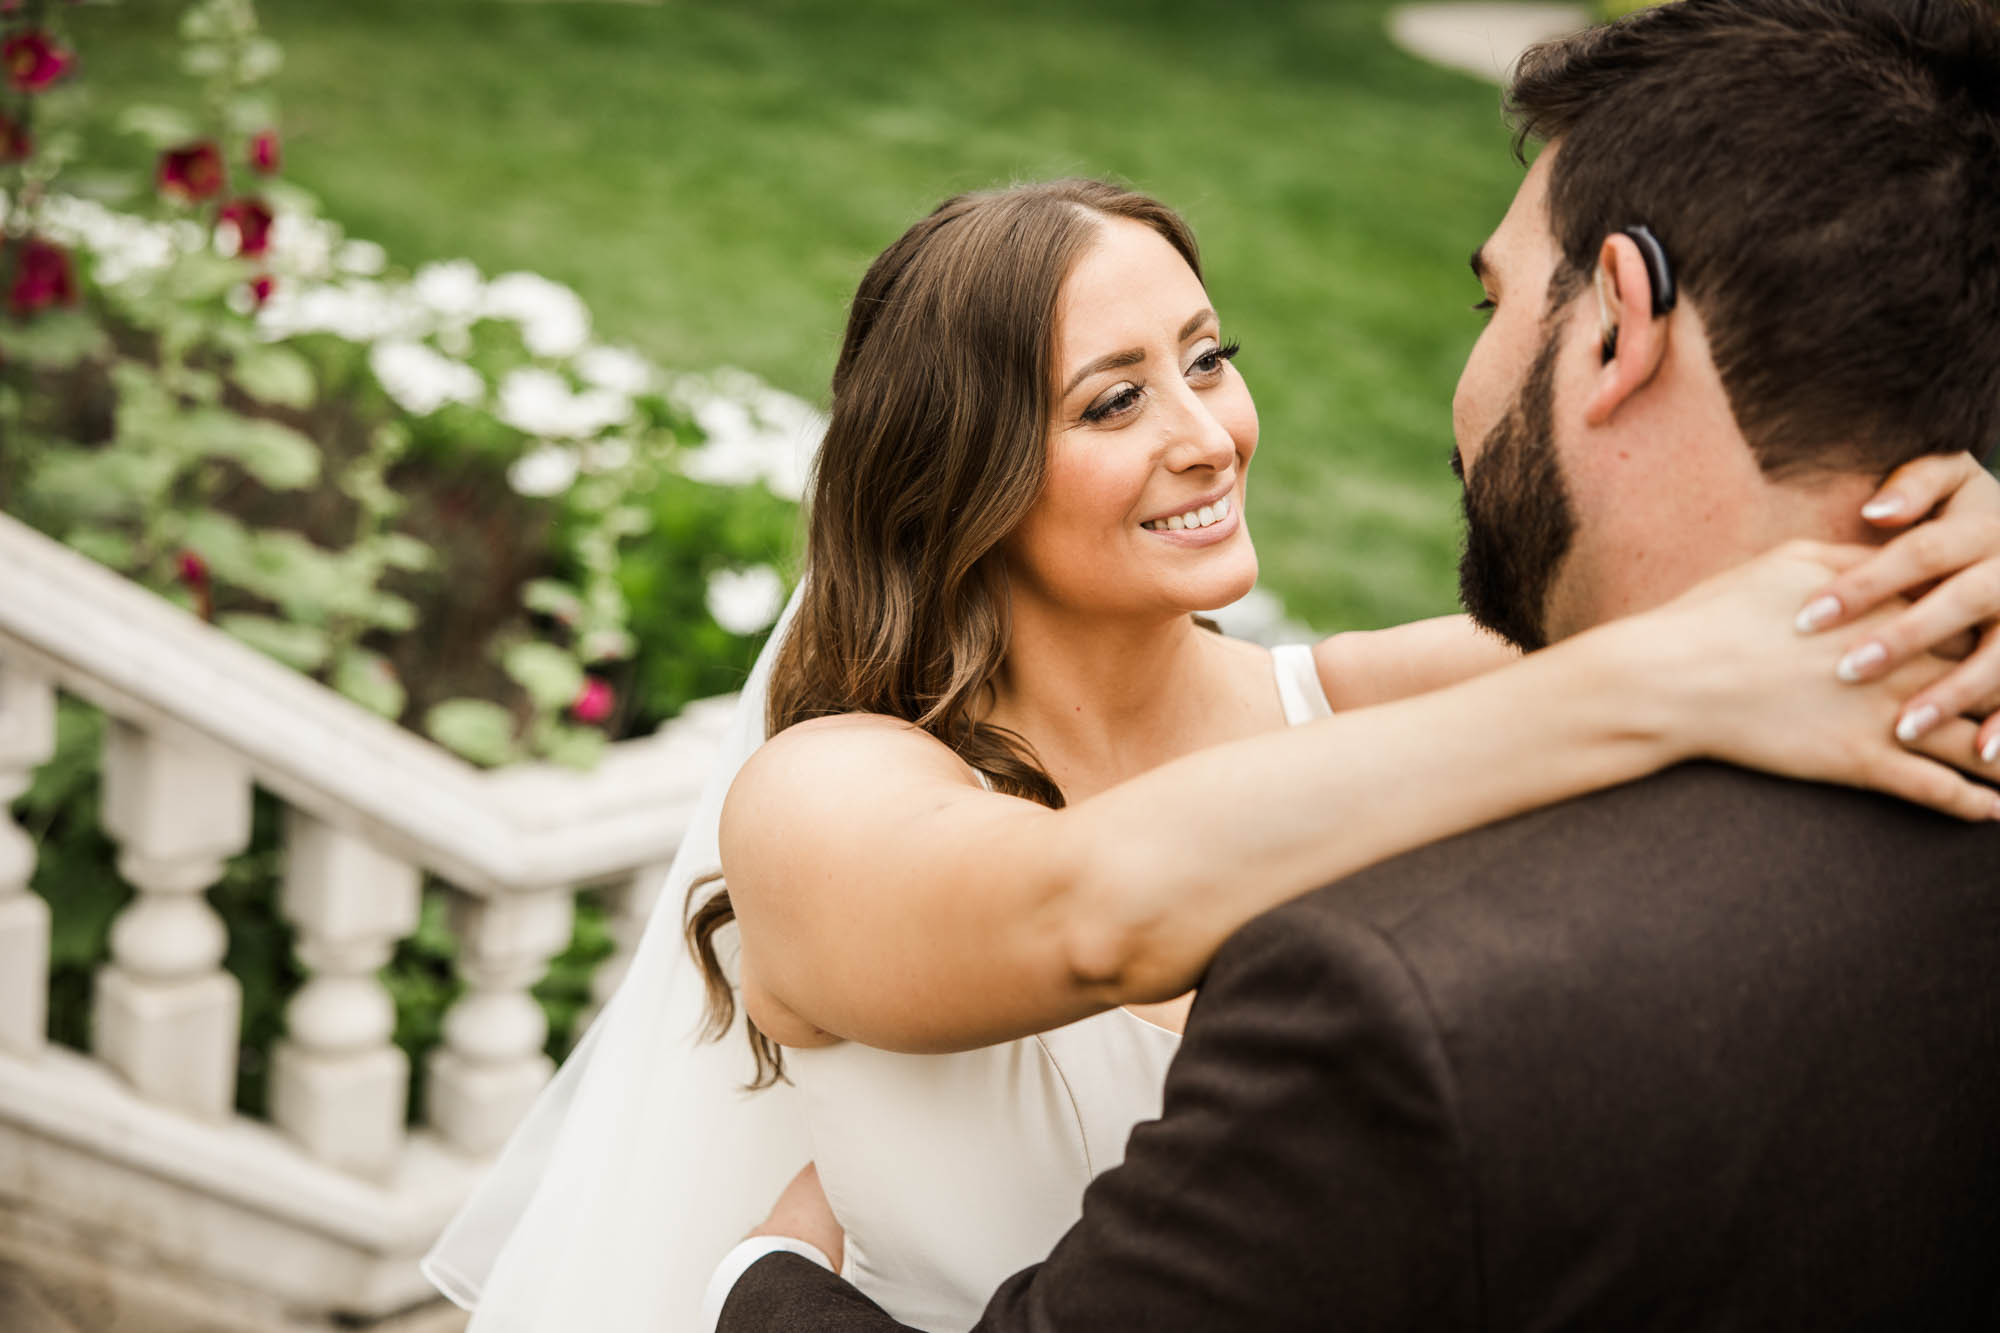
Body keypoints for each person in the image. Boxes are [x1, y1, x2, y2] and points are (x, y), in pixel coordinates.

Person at [424, 6, 2000, 1328]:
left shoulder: (1350, 701)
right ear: (959, 479)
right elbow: (1087, 910)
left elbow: (1743, 602)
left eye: (1209, 359)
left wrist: (1963, 534)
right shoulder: (824, 794)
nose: (1206, 435)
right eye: (1113, 402)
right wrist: (1669, 681)